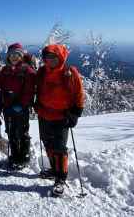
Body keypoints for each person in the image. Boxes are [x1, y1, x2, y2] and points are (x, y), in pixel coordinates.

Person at [35, 44, 85, 196]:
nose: (49, 60)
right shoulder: (42, 71)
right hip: (44, 114)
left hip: (62, 116)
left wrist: (76, 113)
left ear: (61, 57)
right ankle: (53, 170)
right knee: (47, 143)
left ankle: (60, 178)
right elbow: (35, 86)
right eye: (47, 57)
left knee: (59, 147)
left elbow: (79, 94)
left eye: (53, 57)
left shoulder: (70, 72)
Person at [0, 43, 36, 170]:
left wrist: (22, 104)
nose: (13, 57)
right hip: (8, 107)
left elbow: (30, 91)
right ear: (8, 56)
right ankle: (14, 156)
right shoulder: (5, 70)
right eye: (11, 55)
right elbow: (1, 85)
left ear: (21, 55)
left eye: (17, 55)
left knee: (22, 132)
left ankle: (24, 157)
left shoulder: (27, 70)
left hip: (21, 108)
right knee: (10, 131)